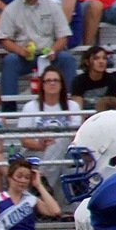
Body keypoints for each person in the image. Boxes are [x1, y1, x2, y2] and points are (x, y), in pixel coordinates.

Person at [0, 0, 77, 107]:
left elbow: (63, 36)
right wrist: (20, 51)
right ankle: (9, 110)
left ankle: (70, 106)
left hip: (49, 55)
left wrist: (54, 50)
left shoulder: (52, 6)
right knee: (9, 61)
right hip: (24, 57)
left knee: (67, 59)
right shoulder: (11, 9)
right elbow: (3, 38)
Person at [17, 67, 83, 199]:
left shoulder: (72, 106)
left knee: (60, 140)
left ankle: (43, 185)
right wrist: (40, 145)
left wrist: (55, 140)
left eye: (55, 80)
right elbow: (24, 140)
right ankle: (60, 205)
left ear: (61, 84)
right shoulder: (31, 107)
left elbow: (77, 136)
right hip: (36, 153)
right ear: (42, 85)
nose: (52, 83)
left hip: (66, 152)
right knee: (59, 160)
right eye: (48, 81)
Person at [70, 45, 116, 113]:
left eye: (104, 58)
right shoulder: (78, 81)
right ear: (87, 62)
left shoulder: (112, 80)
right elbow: (77, 109)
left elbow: (114, 109)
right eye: (96, 58)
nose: (101, 61)